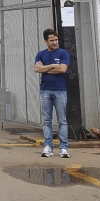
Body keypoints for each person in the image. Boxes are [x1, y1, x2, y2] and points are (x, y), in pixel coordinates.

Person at [34, 28, 70, 159]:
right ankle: (48, 146)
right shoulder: (41, 54)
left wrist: (45, 68)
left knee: (62, 120)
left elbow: (63, 69)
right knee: (47, 120)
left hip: (60, 90)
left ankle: (64, 148)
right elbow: (36, 68)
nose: (55, 42)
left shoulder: (63, 53)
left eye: (56, 40)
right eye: (52, 40)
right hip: (45, 90)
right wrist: (53, 66)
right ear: (46, 41)